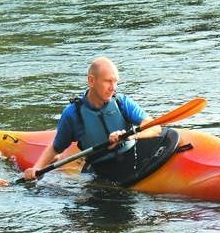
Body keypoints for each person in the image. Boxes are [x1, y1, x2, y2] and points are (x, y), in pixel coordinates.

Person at [23, 56, 161, 181]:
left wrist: (130, 136)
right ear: (91, 81)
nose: (113, 88)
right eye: (108, 81)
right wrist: (37, 168)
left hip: (134, 160)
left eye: (116, 82)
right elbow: (56, 149)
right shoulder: (72, 115)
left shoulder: (122, 102)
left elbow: (155, 127)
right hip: (101, 173)